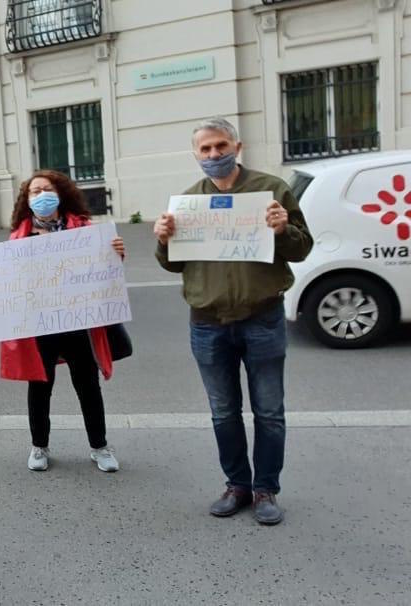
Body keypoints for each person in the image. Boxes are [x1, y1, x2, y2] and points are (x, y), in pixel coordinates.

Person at [154, 117, 313, 526]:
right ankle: (237, 485)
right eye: (205, 149)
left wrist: (282, 230)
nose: (214, 155)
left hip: (261, 318)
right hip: (207, 323)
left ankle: (266, 490)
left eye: (220, 146)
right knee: (223, 412)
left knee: (269, 411)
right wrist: (163, 238)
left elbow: (302, 248)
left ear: (236, 147)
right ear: (195, 154)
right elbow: (173, 265)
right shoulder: (187, 202)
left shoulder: (270, 191)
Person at [0, 170, 125, 473]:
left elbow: (104, 273)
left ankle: (100, 446)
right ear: (27, 201)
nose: (41, 196)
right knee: (40, 387)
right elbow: (9, 282)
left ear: (60, 193)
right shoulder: (18, 239)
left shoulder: (85, 231)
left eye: (46, 189)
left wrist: (116, 255)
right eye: (34, 192)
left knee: (88, 386)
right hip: (39, 327)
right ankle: (39, 446)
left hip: (78, 323)